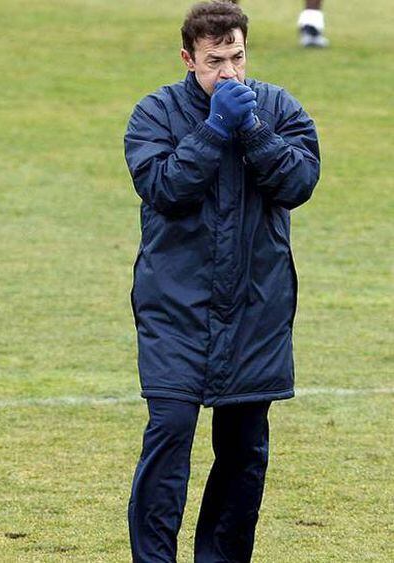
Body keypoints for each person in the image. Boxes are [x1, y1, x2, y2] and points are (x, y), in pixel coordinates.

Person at [124, 1, 320, 561]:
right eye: (215, 62)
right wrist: (214, 130)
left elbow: (299, 183)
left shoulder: (279, 108)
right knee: (170, 433)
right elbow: (165, 189)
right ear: (188, 59)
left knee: (243, 452)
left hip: (257, 309)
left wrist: (253, 128)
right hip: (175, 308)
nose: (229, 73)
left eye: (237, 57)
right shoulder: (154, 114)